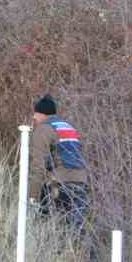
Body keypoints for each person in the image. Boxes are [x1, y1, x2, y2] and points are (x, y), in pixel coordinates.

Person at [28, 94, 91, 235]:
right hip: (81, 184)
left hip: (58, 185)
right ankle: (79, 256)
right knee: (77, 232)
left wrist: (33, 197)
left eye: (35, 114)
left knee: (48, 230)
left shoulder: (43, 129)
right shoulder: (68, 128)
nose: (34, 118)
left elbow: (38, 166)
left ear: (41, 114)